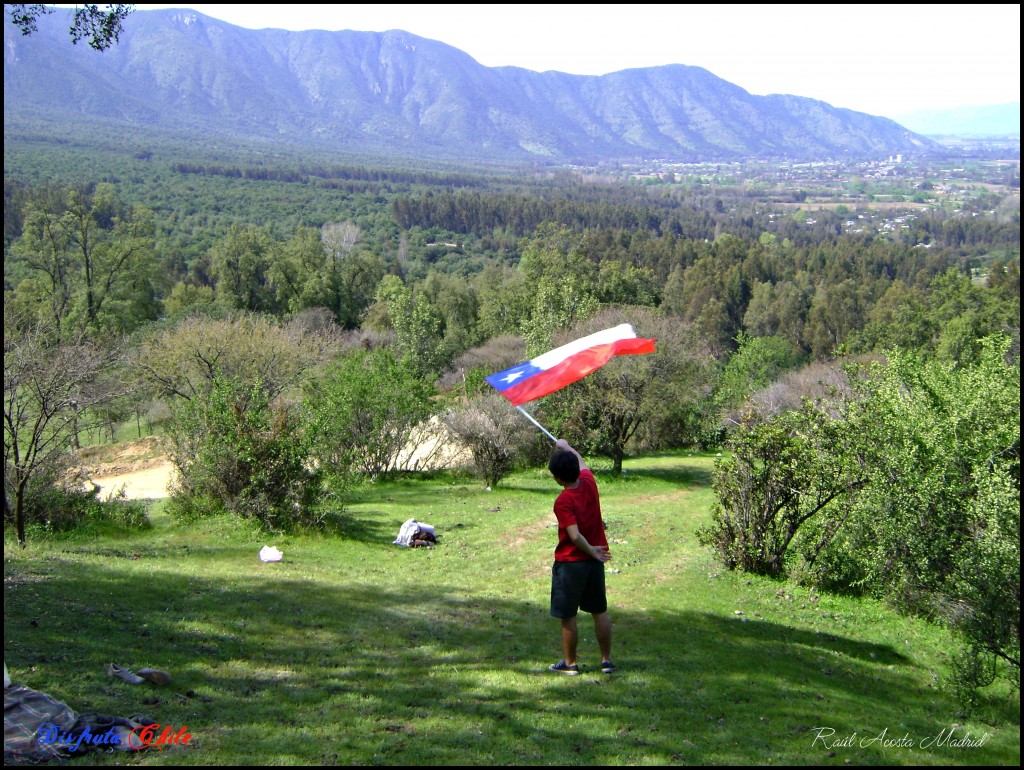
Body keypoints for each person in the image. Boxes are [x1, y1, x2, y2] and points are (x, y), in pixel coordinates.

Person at [546, 439, 617, 675]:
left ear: (557, 478)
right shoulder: (589, 482)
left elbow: (574, 536)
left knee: (568, 615)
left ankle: (570, 664)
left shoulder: (563, 500)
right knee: (599, 611)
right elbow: (582, 461)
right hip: (594, 563)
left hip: (571, 563)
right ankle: (606, 661)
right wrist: (566, 446)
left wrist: (591, 550)